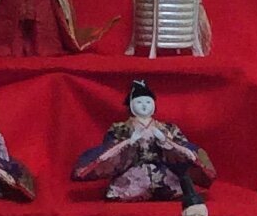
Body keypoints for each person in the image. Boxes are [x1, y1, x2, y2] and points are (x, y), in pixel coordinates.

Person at [73, 79, 214, 199]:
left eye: (148, 101)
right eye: (139, 102)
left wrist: (166, 142)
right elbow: (108, 149)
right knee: (126, 186)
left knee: (177, 184)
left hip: (162, 169)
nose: (144, 105)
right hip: (133, 170)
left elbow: (184, 147)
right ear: (131, 105)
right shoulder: (120, 128)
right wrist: (129, 142)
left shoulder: (167, 127)